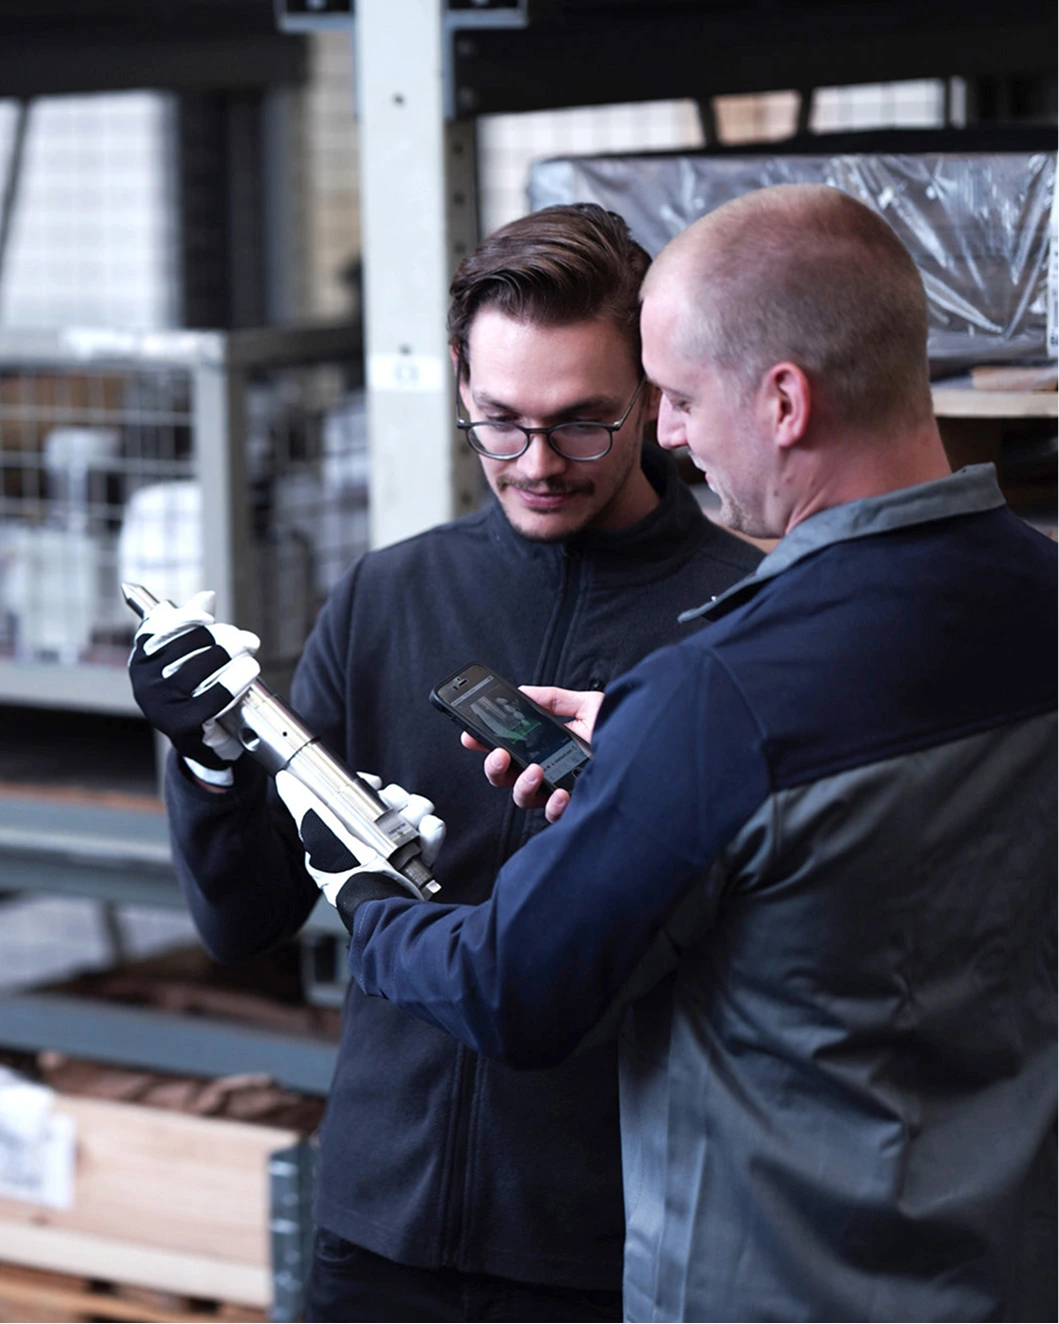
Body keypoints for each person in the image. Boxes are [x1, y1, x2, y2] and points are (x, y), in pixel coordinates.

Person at [297, 185, 1057, 1321]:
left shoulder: (723, 691)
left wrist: (367, 895)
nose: (675, 437)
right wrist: (653, 761)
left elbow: (515, 989)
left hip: (776, 1284)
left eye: (682, 399)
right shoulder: (1038, 597)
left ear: (787, 401)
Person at [127, 203, 762, 1322]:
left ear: (655, 399)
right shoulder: (389, 595)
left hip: (609, 1248)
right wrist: (209, 755)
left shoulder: (741, 617)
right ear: (461, 386)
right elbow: (244, 918)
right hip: (376, 1224)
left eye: (583, 424)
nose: (537, 463)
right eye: (499, 422)